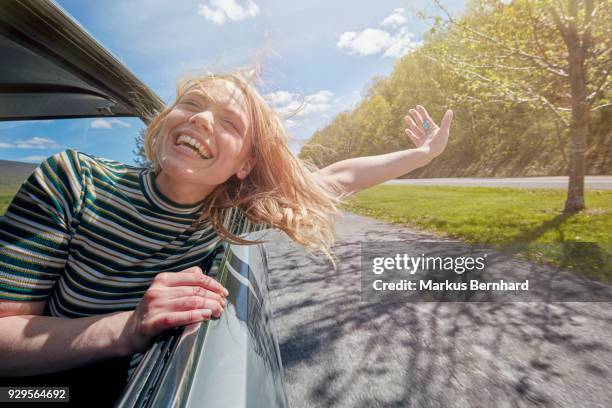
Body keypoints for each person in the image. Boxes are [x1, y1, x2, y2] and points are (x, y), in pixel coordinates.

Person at [0, 70, 452, 399]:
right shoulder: (76, 179)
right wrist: (128, 328)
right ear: (167, 120)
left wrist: (419, 156)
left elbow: (337, 177)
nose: (201, 120)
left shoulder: (227, 218)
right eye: (192, 104)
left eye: (229, 123)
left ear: (244, 166)